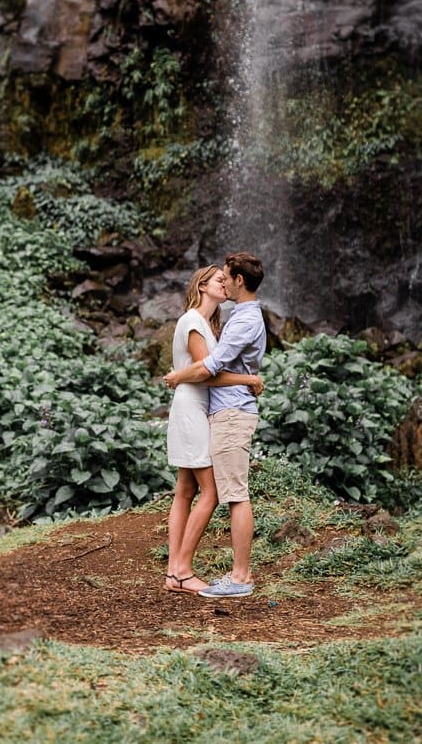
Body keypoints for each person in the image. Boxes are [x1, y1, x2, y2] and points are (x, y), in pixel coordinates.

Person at [165, 251, 268, 598]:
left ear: (240, 281)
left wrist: (181, 376)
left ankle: (179, 570)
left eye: (226, 278)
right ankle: (180, 569)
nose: (224, 283)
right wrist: (247, 380)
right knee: (203, 491)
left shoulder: (221, 324)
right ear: (201, 286)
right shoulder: (196, 322)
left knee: (192, 490)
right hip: (196, 409)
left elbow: (208, 370)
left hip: (213, 409)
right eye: (217, 279)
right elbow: (207, 373)